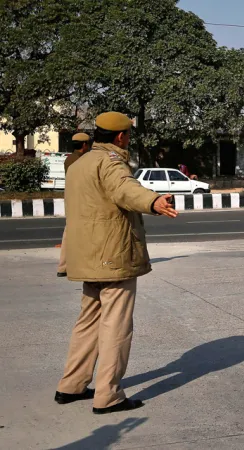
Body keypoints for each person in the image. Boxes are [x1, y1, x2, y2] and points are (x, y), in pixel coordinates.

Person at [54, 111, 178, 415]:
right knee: (116, 326)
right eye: (129, 135)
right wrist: (153, 201)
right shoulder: (110, 162)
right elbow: (124, 188)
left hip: (86, 255)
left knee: (88, 321)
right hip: (112, 256)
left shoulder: (78, 164)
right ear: (122, 136)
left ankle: (71, 385)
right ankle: (108, 395)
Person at [57, 132, 92, 277]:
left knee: (69, 232)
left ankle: (63, 267)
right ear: (84, 145)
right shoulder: (84, 160)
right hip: (84, 200)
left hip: (71, 199)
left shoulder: (69, 159)